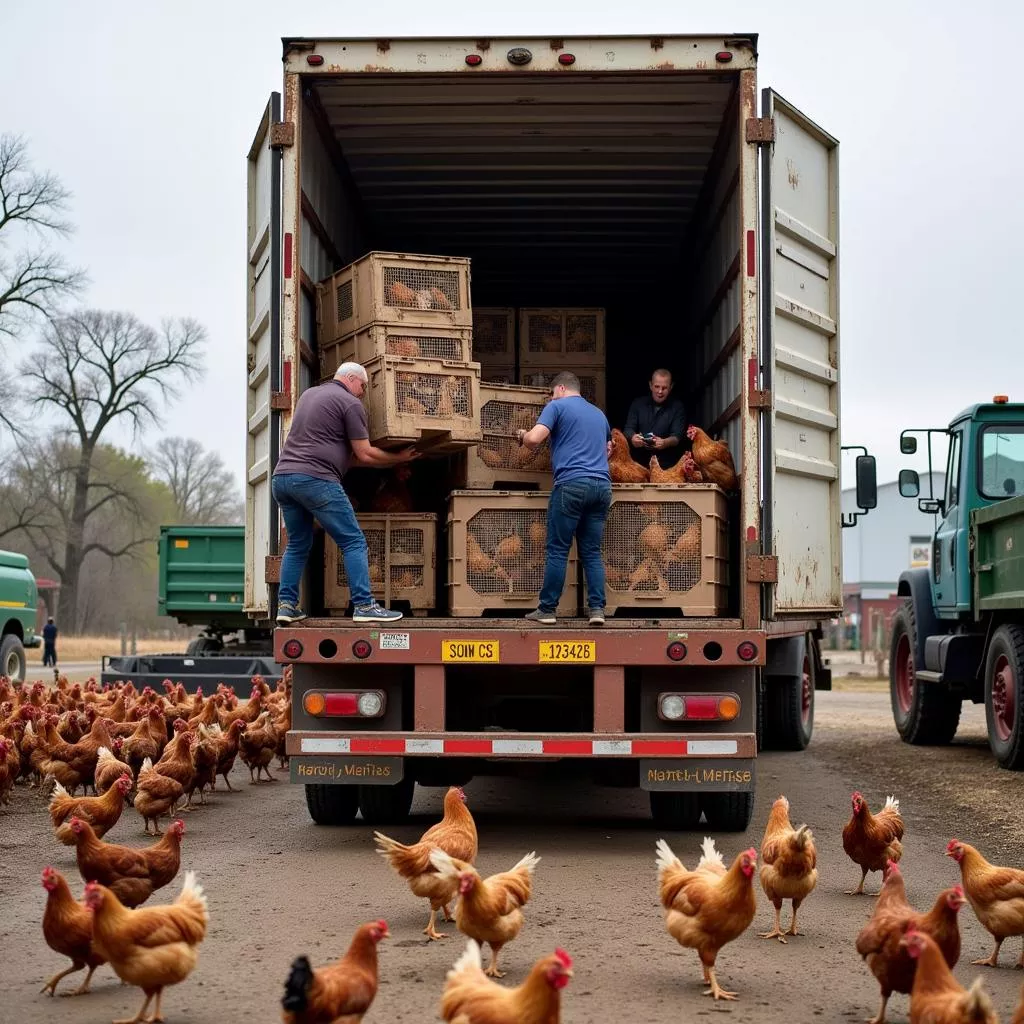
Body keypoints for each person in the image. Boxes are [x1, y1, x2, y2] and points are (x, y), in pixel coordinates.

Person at [271, 361, 418, 625]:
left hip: (282, 478)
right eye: (363, 386)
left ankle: (286, 605)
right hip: (316, 479)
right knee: (354, 541)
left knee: (297, 544)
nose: (362, 392)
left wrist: (388, 463)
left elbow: (350, 459)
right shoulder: (350, 403)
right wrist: (398, 457)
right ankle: (364, 605)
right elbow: (365, 453)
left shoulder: (309, 395)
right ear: (351, 378)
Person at [516, 371, 613, 626]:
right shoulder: (599, 414)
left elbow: (534, 440)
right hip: (602, 486)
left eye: (551, 393)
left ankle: (547, 609)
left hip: (571, 485)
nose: (550, 398)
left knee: (558, 550)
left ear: (560, 389)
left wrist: (523, 435)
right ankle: (597, 610)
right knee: (591, 551)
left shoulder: (556, 407)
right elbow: (608, 450)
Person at [623, 368, 686, 468]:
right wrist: (633, 438)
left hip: (666, 465)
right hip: (638, 464)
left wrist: (665, 443)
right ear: (650, 385)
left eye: (664, 388)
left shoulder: (677, 407)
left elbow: (677, 437)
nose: (660, 391)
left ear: (671, 387)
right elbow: (628, 429)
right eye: (657, 387)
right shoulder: (638, 404)